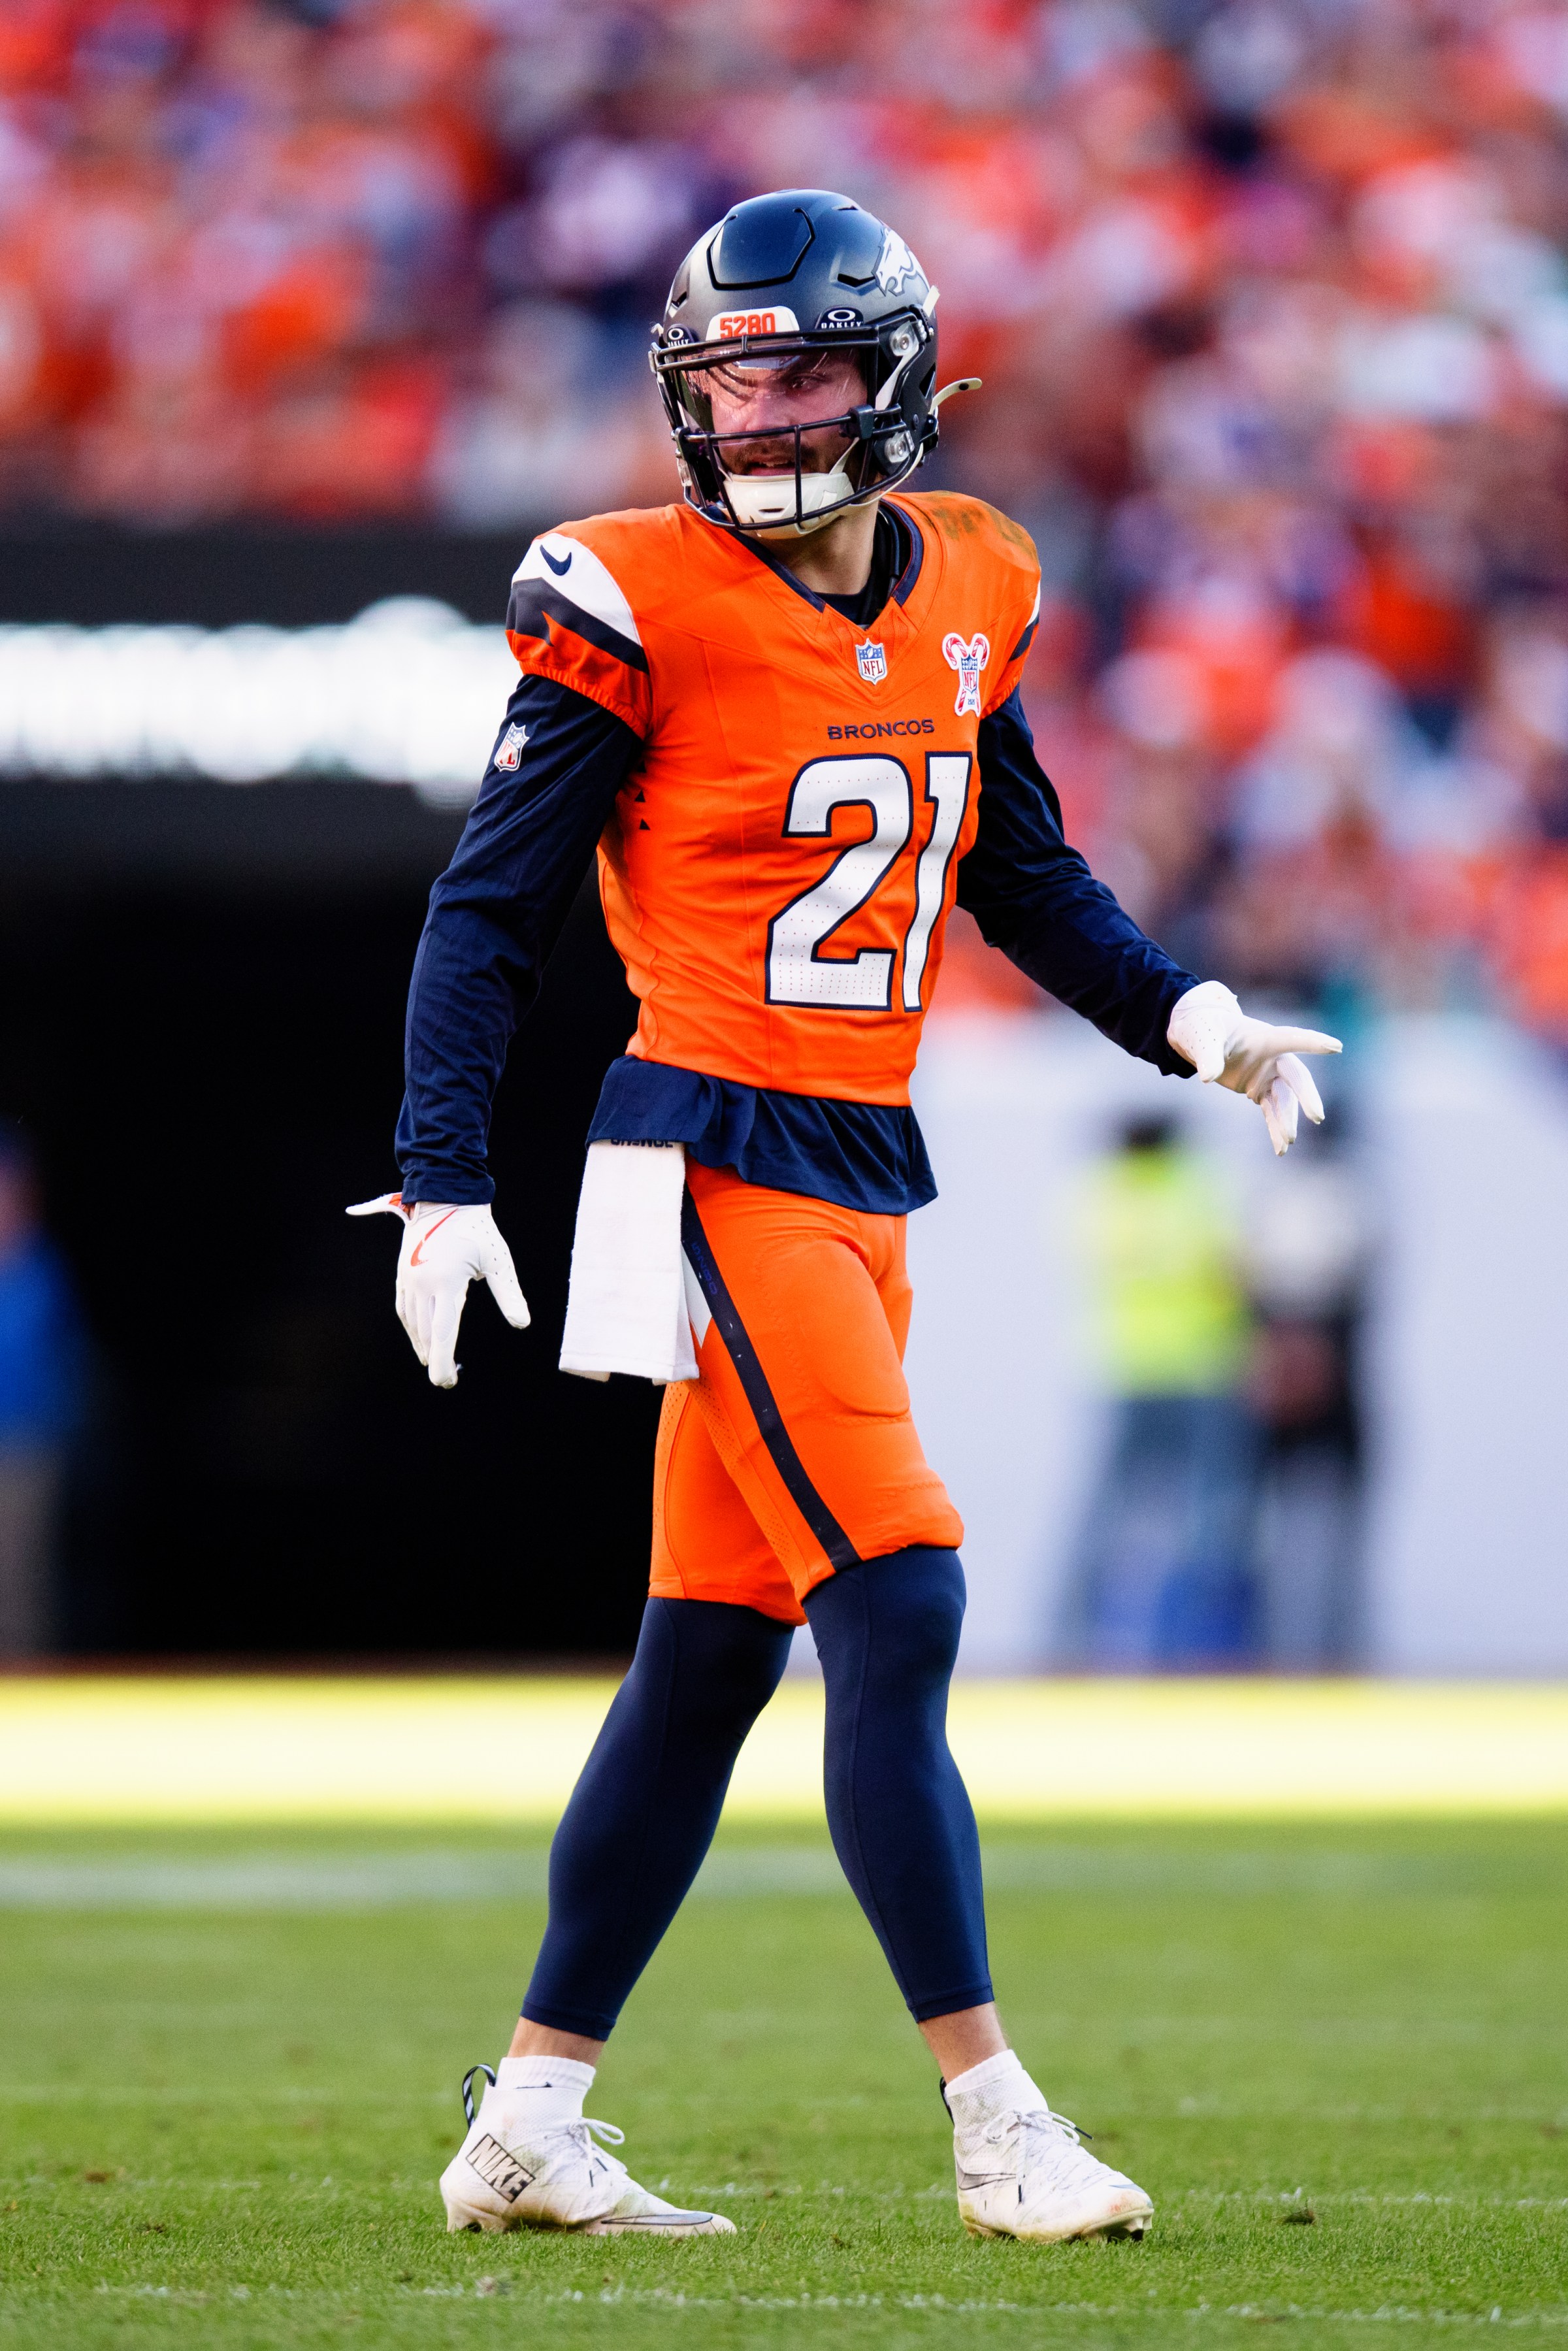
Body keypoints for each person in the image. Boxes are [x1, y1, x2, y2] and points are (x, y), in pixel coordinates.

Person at [351, 190, 1341, 2246]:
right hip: (710, 1152)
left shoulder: (973, 573)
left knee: (706, 1656)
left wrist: (1194, 1018)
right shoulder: (631, 592)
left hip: (860, 1162)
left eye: (799, 368)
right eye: (727, 378)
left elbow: (1025, 871)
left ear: (891, 374)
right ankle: (995, 2115)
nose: (759, 412)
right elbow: (487, 909)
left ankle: (529, 2113)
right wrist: (443, 1168)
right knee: (896, 1594)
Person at [1062, 1115, 1258, 1671]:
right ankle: (1200, 1650)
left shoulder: (1100, 1194)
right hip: (1203, 1368)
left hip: (1125, 1369)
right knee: (1209, 1519)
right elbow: (1235, 1269)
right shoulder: (1197, 1190)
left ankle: (1074, 1646)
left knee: (1104, 1519)